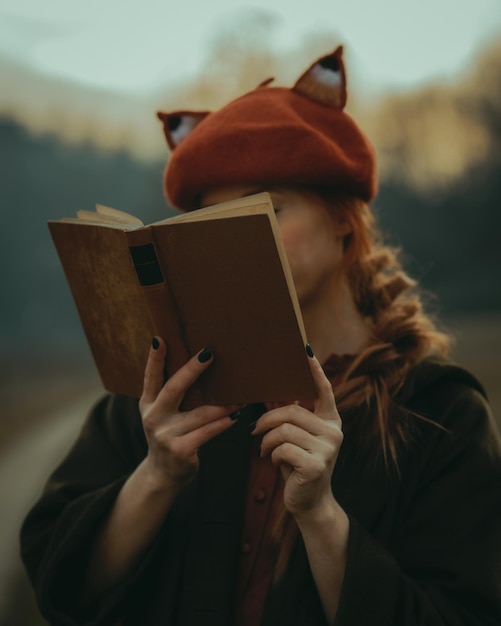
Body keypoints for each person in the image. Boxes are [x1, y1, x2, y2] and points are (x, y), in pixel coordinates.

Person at [20, 46, 501, 626]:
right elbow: (57, 582)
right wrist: (156, 476)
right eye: (214, 221)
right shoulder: (167, 391)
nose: (236, 240)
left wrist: (321, 514)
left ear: (344, 220)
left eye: (268, 210)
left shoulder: (441, 412)